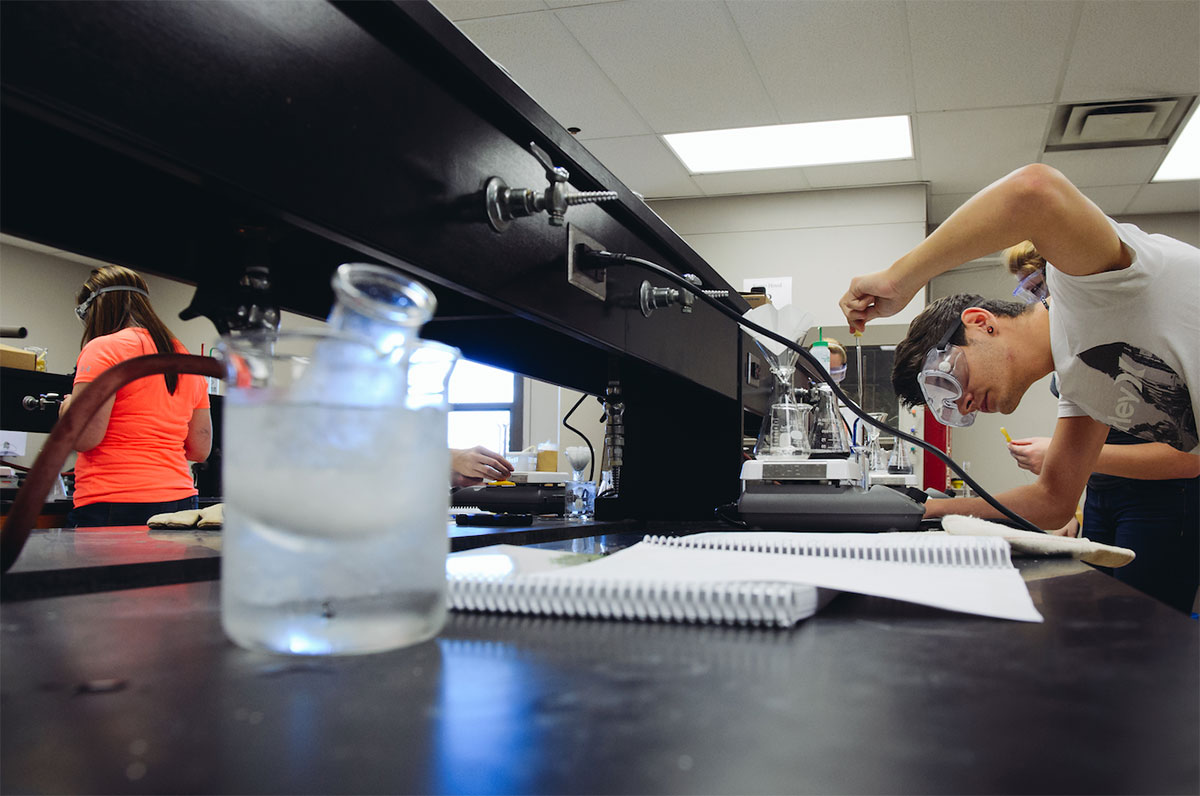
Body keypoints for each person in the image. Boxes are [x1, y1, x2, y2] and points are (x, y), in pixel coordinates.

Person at [838, 164, 1198, 575]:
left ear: (979, 322)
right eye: (949, 403)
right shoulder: (1081, 386)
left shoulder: (1083, 288)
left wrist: (902, 279)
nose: (966, 403)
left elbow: (1033, 190)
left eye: (949, 379)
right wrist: (920, 509)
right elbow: (1052, 502)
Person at [1002, 240, 1199, 610]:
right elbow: (1093, 435)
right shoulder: (1073, 355)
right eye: (1027, 294)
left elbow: (1187, 460)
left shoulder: (1132, 341)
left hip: (1164, 500)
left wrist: (1066, 459)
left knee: (1145, 628)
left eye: (1039, 289)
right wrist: (1068, 505)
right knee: (1098, 622)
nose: (1037, 304)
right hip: (1102, 498)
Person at [61, 266, 212, 527]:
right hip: (179, 503)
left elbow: (85, 437)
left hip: (114, 501)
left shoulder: (103, 349)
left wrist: (67, 409)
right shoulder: (184, 358)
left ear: (94, 309)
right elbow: (200, 450)